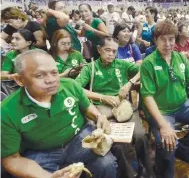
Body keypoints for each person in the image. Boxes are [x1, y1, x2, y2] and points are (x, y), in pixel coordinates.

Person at [1, 49, 117, 178]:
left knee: (107, 165)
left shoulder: (70, 86)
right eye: (40, 75)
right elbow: (11, 159)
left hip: (78, 139)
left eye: (54, 73)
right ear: (19, 80)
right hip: (40, 151)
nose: (51, 80)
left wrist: (98, 116)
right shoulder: (7, 111)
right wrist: (46, 176)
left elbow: (87, 107)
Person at [140, 20, 189, 178]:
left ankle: (184, 147)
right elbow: (147, 97)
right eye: (163, 39)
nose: (168, 44)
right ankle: (162, 171)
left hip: (183, 105)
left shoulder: (180, 59)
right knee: (168, 145)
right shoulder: (148, 63)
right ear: (156, 40)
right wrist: (163, 126)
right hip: (161, 112)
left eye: (171, 39)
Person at [75, 37, 155, 178]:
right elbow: (77, 89)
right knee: (119, 144)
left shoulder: (122, 65)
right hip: (102, 109)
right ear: (99, 50)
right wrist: (102, 97)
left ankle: (148, 170)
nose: (111, 54)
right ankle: (132, 174)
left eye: (114, 51)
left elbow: (144, 69)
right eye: (107, 50)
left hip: (123, 107)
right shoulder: (91, 67)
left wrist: (130, 82)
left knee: (141, 136)